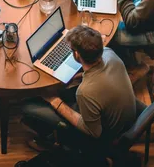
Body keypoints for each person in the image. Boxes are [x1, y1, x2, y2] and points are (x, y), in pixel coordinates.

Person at [21, 26, 136, 165]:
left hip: (103, 135)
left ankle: (49, 141)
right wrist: (82, 75)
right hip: (125, 116)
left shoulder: (85, 92)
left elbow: (93, 132)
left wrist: (55, 101)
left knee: (29, 106)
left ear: (76, 55)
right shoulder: (109, 53)